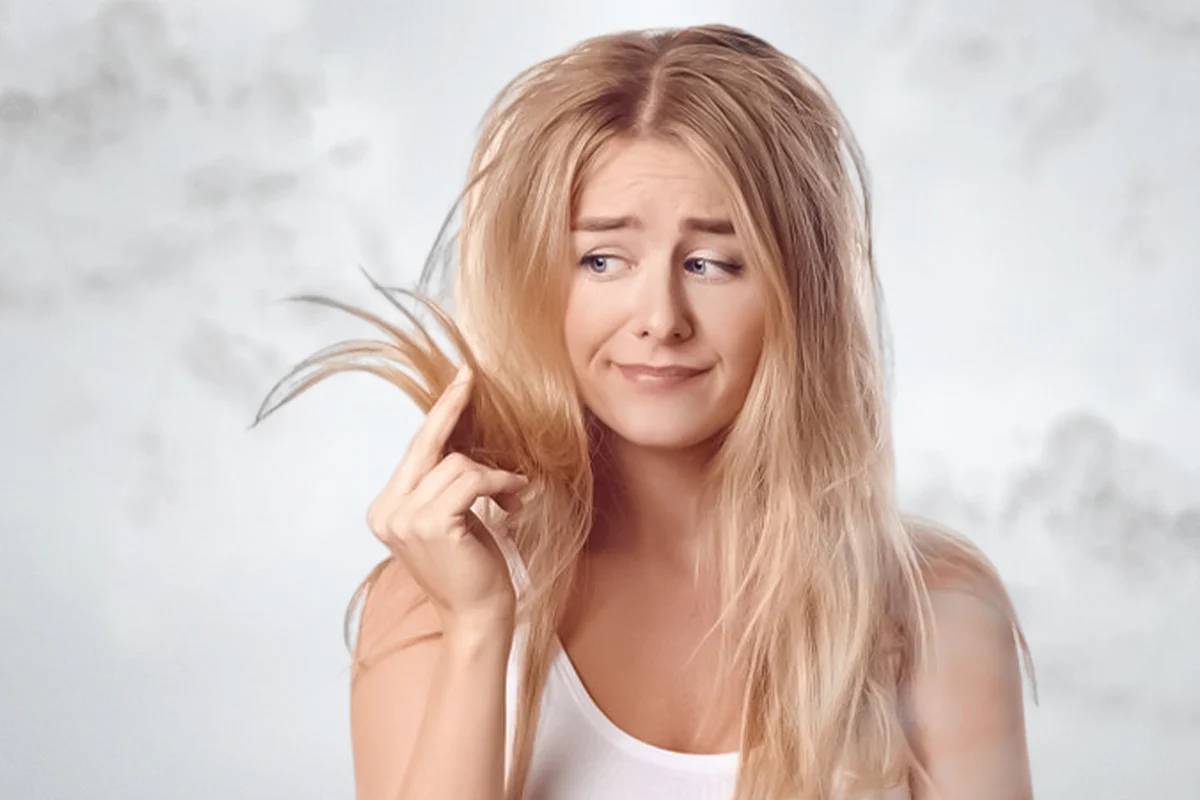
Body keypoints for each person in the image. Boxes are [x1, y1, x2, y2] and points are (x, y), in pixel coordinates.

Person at [252, 23, 1036, 800]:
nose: (660, 316)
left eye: (712, 263)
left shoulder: (935, 609)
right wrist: (479, 632)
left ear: (803, 294)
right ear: (540, 280)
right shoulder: (433, 598)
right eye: (603, 260)